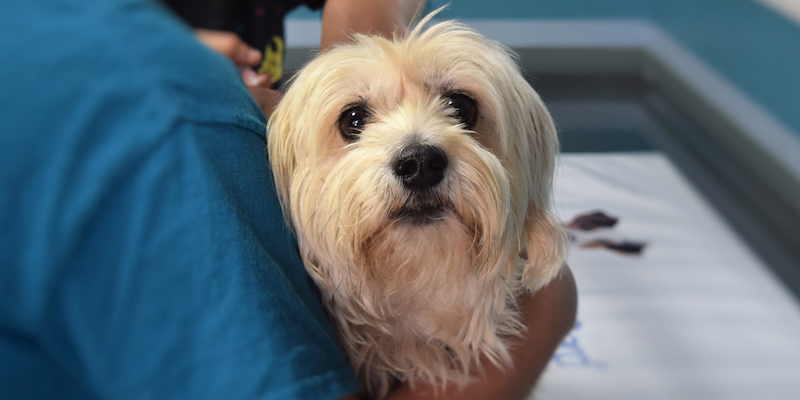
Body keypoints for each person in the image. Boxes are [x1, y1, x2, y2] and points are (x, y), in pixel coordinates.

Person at [0, 0, 576, 399]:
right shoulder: (172, 126)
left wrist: (347, 77)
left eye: (463, 108)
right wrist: (549, 310)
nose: (418, 151)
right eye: (356, 123)